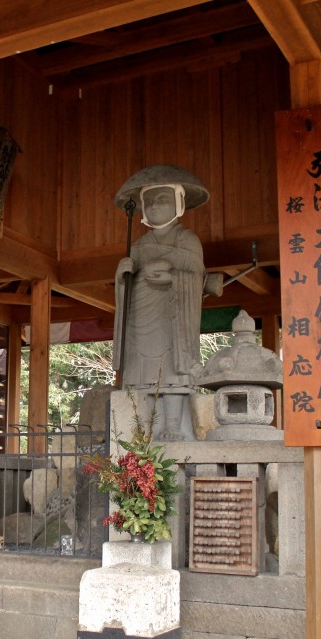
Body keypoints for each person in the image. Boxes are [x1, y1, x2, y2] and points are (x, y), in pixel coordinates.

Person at [113, 165, 217, 440]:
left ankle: (173, 426)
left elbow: (196, 279)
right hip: (142, 317)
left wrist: (173, 277)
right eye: (149, 201)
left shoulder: (188, 240)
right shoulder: (138, 245)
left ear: (179, 204)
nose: (155, 206)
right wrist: (123, 276)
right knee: (141, 372)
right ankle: (142, 427)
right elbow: (125, 285)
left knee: (173, 371)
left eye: (162, 200)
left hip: (173, 319)